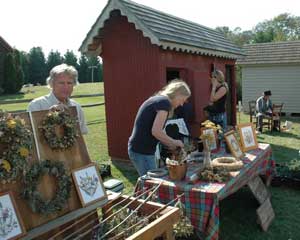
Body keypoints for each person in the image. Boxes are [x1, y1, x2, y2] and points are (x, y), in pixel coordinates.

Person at [128, 79, 191, 176]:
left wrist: (169, 143)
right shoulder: (164, 103)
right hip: (142, 151)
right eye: (182, 100)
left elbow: (156, 131)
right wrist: (174, 142)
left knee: (150, 184)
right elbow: (156, 131)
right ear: (177, 94)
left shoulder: (159, 100)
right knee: (151, 185)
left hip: (142, 150)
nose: (182, 104)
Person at [27, 64, 88, 134]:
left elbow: (82, 135)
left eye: (69, 83)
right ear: (51, 84)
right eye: (61, 83)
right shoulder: (36, 105)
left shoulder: (77, 107)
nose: (66, 87)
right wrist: (49, 115)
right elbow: (32, 137)